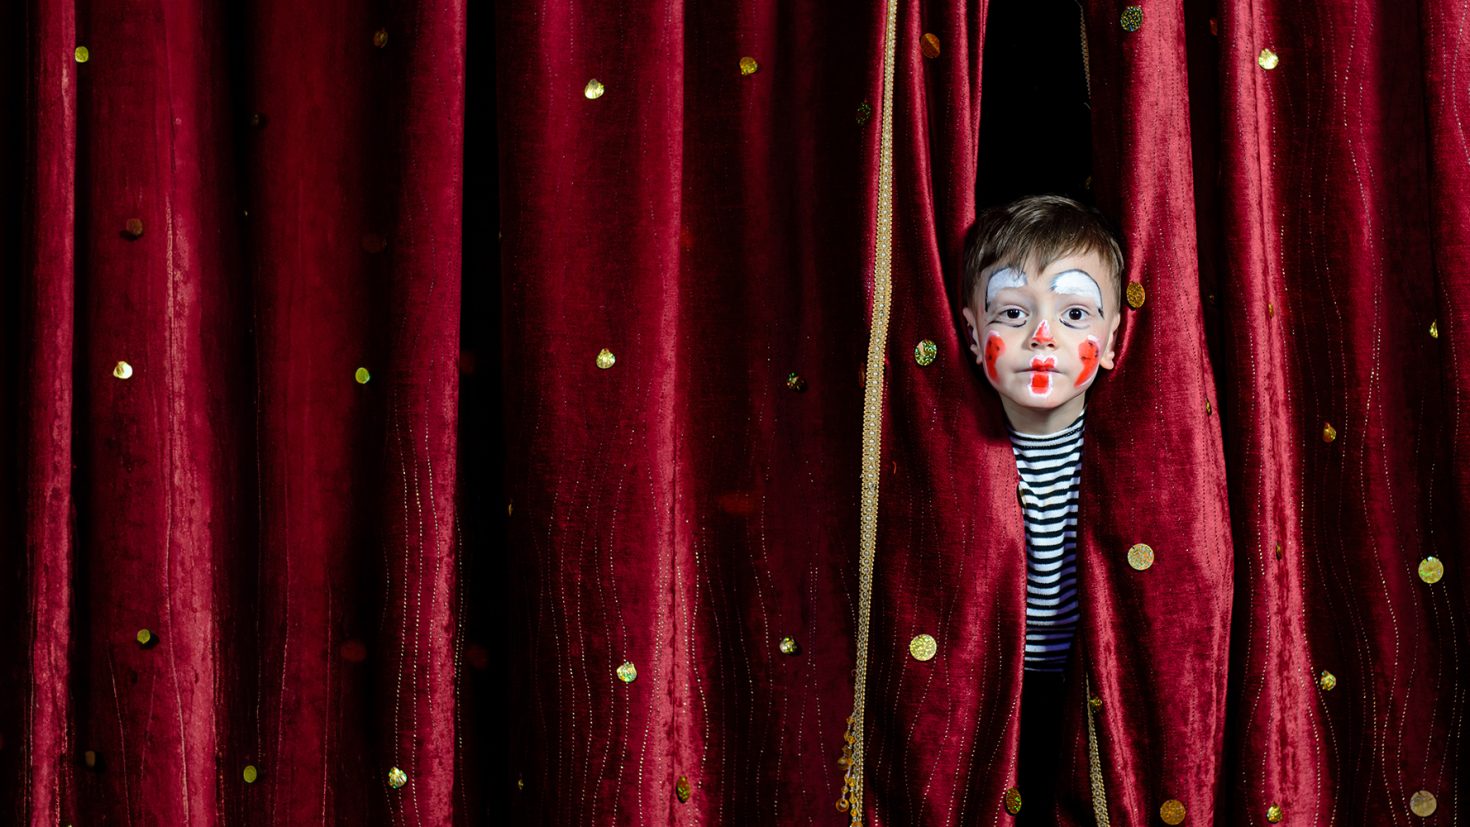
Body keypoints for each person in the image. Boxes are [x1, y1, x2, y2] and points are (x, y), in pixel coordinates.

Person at [957, 194, 1124, 823]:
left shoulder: (1127, 465)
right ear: (975, 335)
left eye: (1075, 311)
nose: (1043, 335)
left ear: (1111, 340)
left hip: (1089, 695)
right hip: (994, 697)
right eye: (1014, 312)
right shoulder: (952, 460)